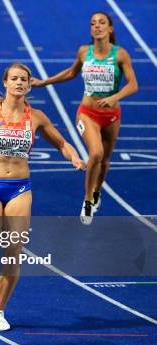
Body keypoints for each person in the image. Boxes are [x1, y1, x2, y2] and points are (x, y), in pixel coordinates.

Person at [0, 63, 85, 331]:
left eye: (23, 79)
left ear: (29, 84)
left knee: (14, 249)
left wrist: (73, 156)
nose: (19, 83)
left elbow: (61, 142)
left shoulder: (35, 116)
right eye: (14, 78)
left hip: (19, 189)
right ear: (5, 83)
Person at [31, 11, 138, 225]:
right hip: (87, 113)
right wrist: (44, 82)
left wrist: (114, 98)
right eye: (93, 24)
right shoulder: (84, 52)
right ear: (91, 29)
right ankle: (87, 200)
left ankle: (97, 191)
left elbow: (133, 85)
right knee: (95, 153)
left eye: (101, 23)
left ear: (110, 29)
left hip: (112, 115)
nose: (97, 26)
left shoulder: (120, 55)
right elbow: (71, 73)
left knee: (105, 161)